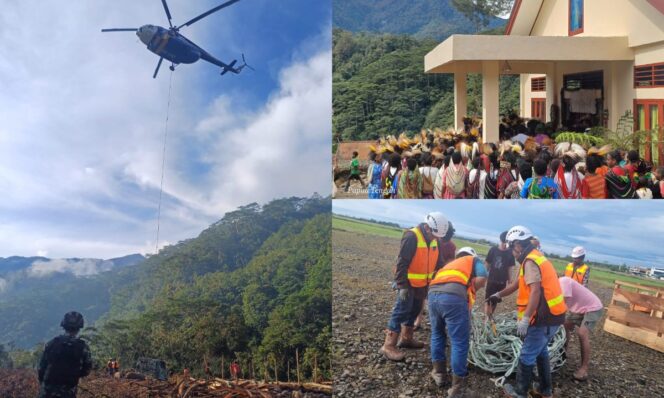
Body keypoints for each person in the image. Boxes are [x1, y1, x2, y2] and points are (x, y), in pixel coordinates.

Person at [487, 226, 567, 398]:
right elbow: (516, 284)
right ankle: (545, 390)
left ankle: (520, 392)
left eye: (511, 248)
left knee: (527, 354)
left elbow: (536, 291)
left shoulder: (530, 261)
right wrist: (498, 294)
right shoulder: (533, 258)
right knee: (541, 351)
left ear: (517, 244)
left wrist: (526, 319)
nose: (511, 253)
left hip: (542, 318)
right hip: (554, 316)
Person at [379, 212, 450, 361]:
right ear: (426, 227)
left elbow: (439, 262)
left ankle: (406, 338)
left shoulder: (435, 239)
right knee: (401, 311)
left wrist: (449, 273)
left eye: (439, 236)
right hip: (408, 283)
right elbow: (402, 263)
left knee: (415, 310)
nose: (437, 238)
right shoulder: (412, 236)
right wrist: (402, 285)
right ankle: (388, 345)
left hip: (423, 284)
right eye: (435, 235)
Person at [427, 247, 487, 396]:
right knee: (459, 342)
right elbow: (483, 276)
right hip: (453, 297)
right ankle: (458, 388)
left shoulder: (450, 265)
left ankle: (439, 373)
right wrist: (471, 289)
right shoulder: (473, 260)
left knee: (437, 334)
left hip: (433, 295)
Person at [558, 276, 604, 381]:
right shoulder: (553, 287)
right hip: (579, 308)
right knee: (565, 326)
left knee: (582, 333)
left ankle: (584, 368)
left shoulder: (563, 281)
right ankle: (562, 354)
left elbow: (561, 305)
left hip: (593, 307)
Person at [38, 311, 93, 398]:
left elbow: (41, 368)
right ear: (79, 327)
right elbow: (87, 370)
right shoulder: (83, 347)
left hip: (47, 392)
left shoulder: (51, 344)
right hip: (68, 392)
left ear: (64, 325)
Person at [484, 231, 515, 315]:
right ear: (500, 241)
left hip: (502, 282)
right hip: (491, 280)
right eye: (504, 243)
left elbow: (510, 267)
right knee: (488, 300)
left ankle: (490, 317)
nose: (505, 245)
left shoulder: (510, 253)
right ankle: (487, 318)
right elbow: (487, 263)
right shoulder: (493, 250)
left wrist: (510, 279)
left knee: (495, 301)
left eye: (507, 243)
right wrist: (483, 275)